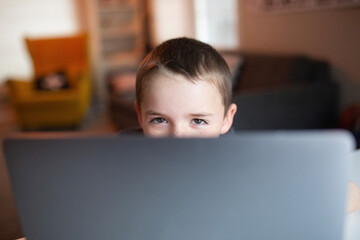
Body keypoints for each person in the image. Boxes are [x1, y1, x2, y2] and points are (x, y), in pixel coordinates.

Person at [125, 37, 360, 214]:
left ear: (227, 118)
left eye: (198, 121)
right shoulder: (120, 154)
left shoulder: (244, 157)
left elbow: (349, 193)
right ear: (139, 115)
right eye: (159, 120)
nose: (178, 138)